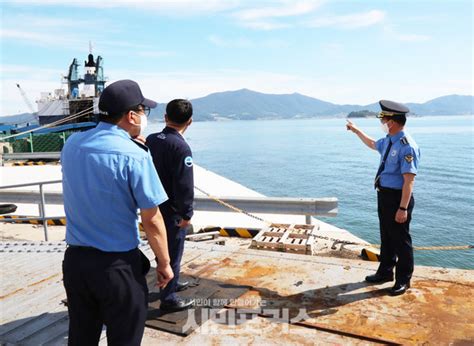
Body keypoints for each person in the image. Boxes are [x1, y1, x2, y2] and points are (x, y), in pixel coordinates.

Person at [61, 79, 174, 345]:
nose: (145, 116)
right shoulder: (135, 155)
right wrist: (165, 263)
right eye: (144, 110)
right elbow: (152, 219)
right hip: (117, 267)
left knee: (81, 336)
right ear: (131, 115)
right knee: (125, 338)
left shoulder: (72, 145)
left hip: (76, 263)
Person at [346, 100, 420, 296]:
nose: (383, 122)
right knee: (386, 237)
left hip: (398, 199)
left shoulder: (407, 146)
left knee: (401, 240)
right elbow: (372, 143)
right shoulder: (389, 140)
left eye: (385, 119)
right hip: (384, 196)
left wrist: (403, 208)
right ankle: (385, 272)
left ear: (393, 122)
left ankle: (403, 280)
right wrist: (356, 131)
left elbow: (408, 182)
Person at [146, 99, 195, 312]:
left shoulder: (152, 139)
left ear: (165, 118)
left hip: (154, 206)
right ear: (190, 122)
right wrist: (187, 213)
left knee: (161, 249)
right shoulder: (181, 147)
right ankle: (169, 298)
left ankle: (171, 280)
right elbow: (185, 185)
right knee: (173, 252)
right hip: (173, 211)